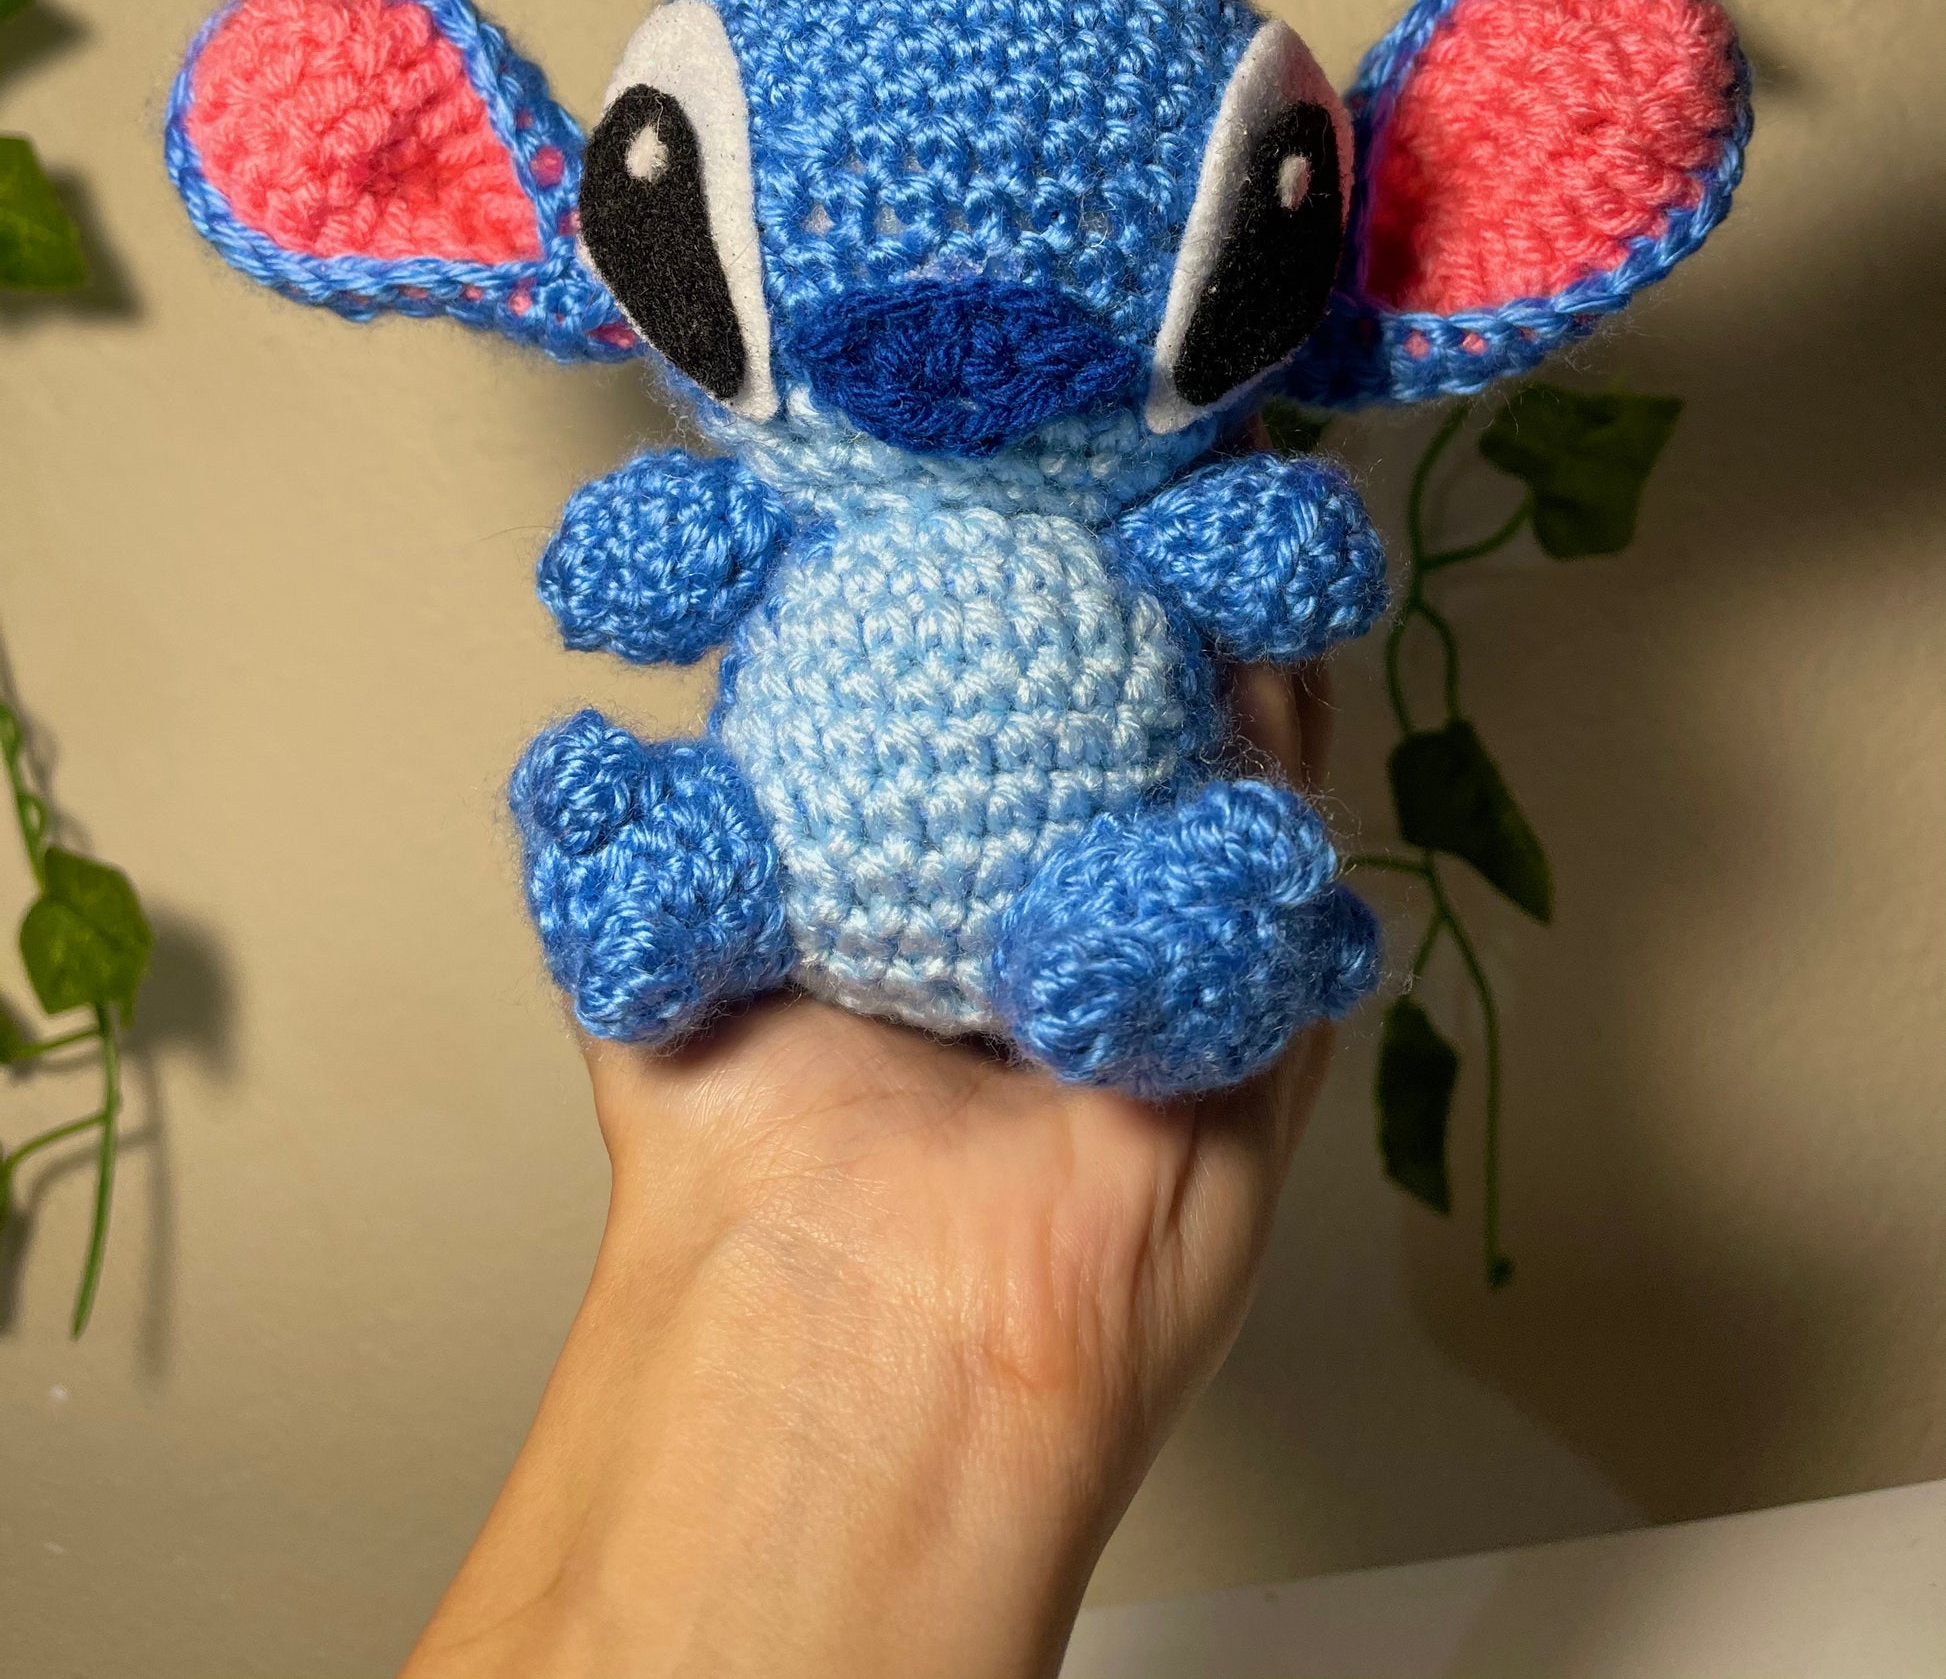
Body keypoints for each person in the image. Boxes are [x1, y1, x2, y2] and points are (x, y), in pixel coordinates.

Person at [402, 662, 1335, 1679]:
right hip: (784, 892)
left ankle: (1141, 947)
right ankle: (682, 886)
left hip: (1057, 901)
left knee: (1141, 954)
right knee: (681, 869)